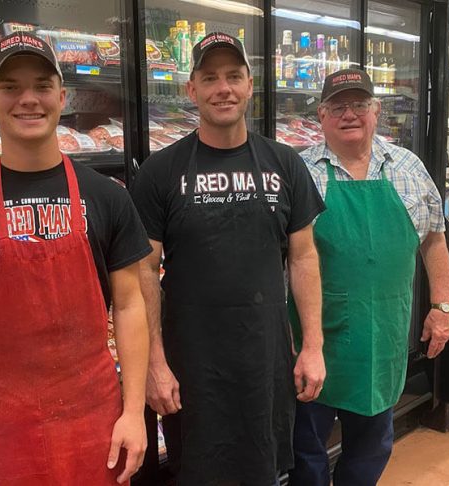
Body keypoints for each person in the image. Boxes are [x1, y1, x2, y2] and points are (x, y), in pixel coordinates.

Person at [0, 33, 151, 486]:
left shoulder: (108, 198)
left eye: (42, 86)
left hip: (95, 422)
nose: (28, 99)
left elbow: (129, 306)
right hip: (0, 431)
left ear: (62, 97)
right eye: (11, 87)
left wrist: (134, 411)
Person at [131, 32, 326, 486]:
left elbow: (303, 258)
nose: (224, 88)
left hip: (265, 361)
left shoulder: (285, 164)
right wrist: (153, 364)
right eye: (210, 77)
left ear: (250, 85)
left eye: (234, 76)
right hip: (190, 367)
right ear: (191, 90)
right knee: (196, 471)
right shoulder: (160, 171)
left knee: (264, 471)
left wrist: (313, 346)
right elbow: (141, 273)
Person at [288, 68, 449, 486]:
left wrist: (443, 307)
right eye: (338, 107)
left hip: (382, 335)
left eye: (359, 105)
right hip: (313, 339)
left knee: (372, 447)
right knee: (303, 447)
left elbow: (434, 240)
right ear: (321, 116)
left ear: (376, 111)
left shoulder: (408, 167)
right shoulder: (299, 171)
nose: (350, 115)